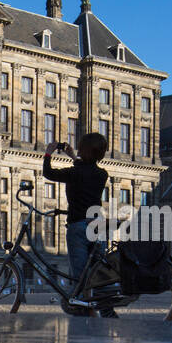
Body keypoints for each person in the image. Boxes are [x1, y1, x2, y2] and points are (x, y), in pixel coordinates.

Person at [43, 133, 116, 318]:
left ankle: (83, 312)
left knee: (80, 273)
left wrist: (48, 154)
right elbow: (86, 170)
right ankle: (106, 308)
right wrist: (74, 157)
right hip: (97, 226)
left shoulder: (74, 173)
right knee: (98, 271)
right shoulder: (102, 174)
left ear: (83, 149)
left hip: (78, 226)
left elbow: (48, 173)